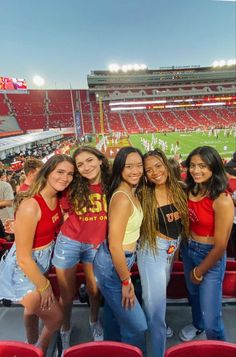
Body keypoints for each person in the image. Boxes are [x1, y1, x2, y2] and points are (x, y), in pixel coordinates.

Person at [0, 154, 75, 353]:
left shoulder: (57, 197)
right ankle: (37, 351)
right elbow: (23, 258)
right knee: (56, 317)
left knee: (31, 310)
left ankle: (30, 344)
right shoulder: (31, 205)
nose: (65, 178)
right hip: (25, 265)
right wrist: (45, 286)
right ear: (47, 172)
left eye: (70, 174)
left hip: (42, 259)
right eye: (60, 172)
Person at [52, 146, 110, 351]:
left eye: (90, 160)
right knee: (66, 295)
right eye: (80, 164)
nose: (86, 167)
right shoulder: (72, 187)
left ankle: (94, 322)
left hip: (96, 246)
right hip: (69, 242)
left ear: (100, 160)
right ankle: (65, 329)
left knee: (95, 291)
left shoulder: (113, 185)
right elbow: (66, 211)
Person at [94, 146, 147, 353]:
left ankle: (112, 348)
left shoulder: (130, 191)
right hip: (114, 262)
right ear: (119, 168)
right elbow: (115, 244)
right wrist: (126, 281)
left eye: (139, 165)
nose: (136, 170)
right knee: (137, 325)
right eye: (129, 166)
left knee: (113, 313)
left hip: (120, 260)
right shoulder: (123, 198)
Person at [137, 148, 189, 357]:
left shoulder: (180, 188)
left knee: (156, 297)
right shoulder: (142, 195)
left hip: (171, 249)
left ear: (167, 165)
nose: (155, 172)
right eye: (148, 169)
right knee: (157, 309)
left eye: (158, 165)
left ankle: (150, 318)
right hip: (152, 252)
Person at [179, 146, 234, 342]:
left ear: (214, 167)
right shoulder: (189, 189)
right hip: (188, 249)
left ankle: (219, 347)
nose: (196, 170)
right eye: (192, 165)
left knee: (212, 317)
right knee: (193, 294)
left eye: (203, 166)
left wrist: (199, 271)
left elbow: (221, 246)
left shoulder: (222, 199)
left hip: (210, 256)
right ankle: (197, 324)